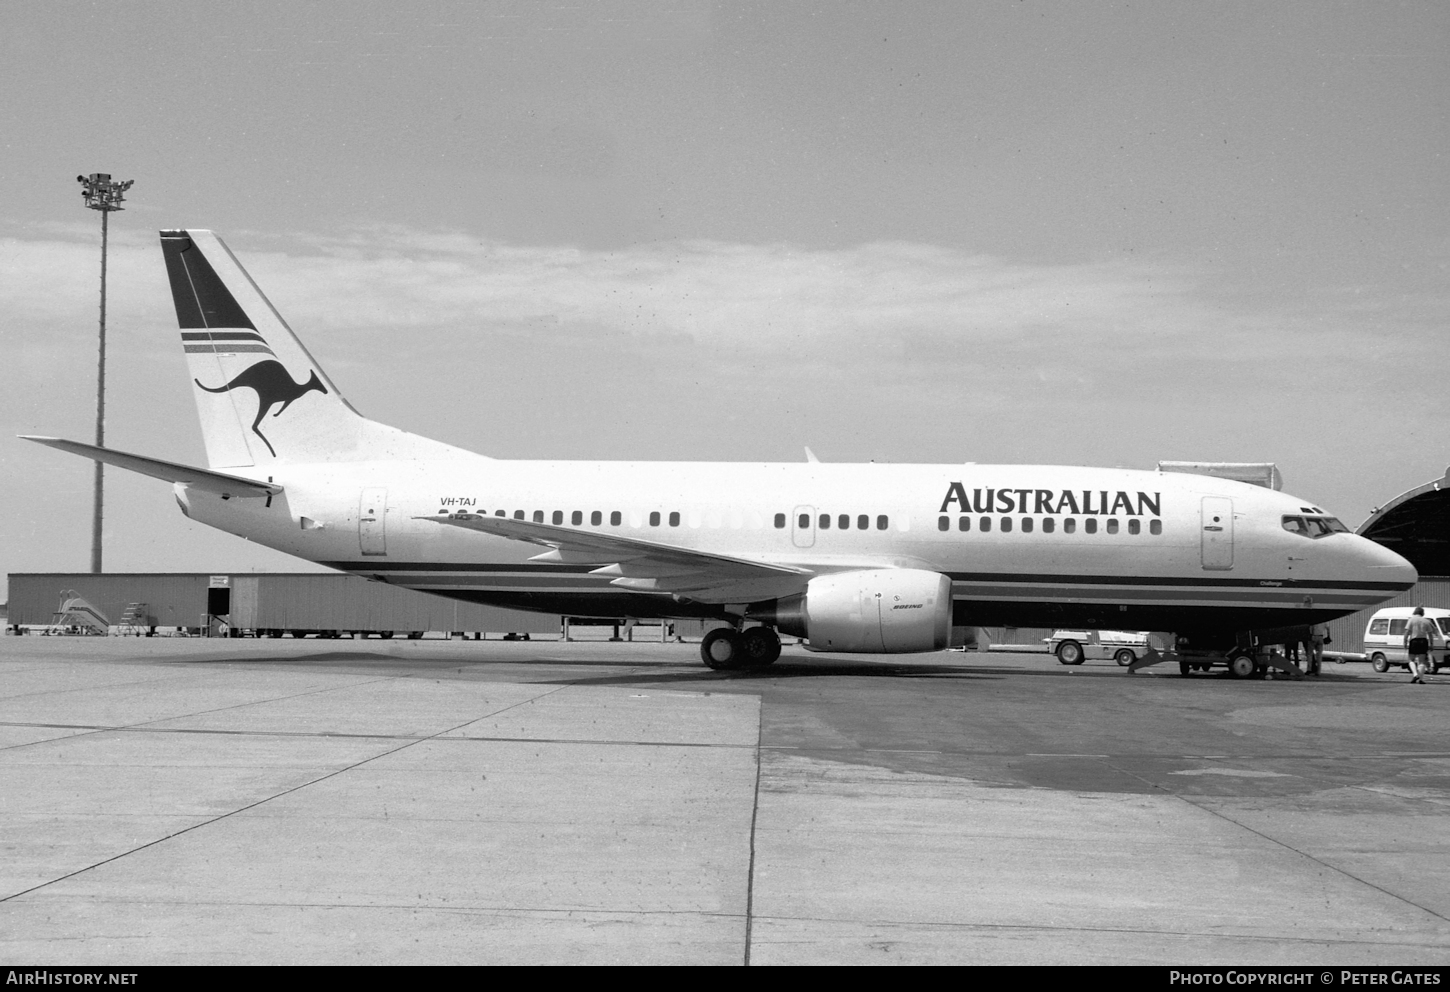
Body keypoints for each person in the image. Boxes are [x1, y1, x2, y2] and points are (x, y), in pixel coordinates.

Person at [1403, 607, 1437, 684]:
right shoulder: (1426, 621)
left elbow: (1407, 632)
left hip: (1414, 641)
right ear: (1422, 613)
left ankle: (1415, 674)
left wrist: (1405, 642)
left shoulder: (1411, 620)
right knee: (1422, 661)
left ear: (1415, 612)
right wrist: (1431, 644)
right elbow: (1430, 634)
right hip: (1423, 641)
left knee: (1411, 660)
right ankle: (1420, 679)